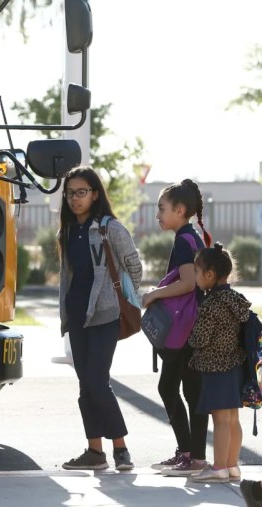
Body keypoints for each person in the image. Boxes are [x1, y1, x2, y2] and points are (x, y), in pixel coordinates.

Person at [57, 167, 142, 471]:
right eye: (70, 193)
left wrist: (119, 297)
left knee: (97, 381)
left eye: (81, 192)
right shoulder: (66, 231)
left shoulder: (110, 228)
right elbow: (68, 276)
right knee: (86, 384)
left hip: (105, 315)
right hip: (77, 317)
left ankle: (121, 448)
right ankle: (95, 452)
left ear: (94, 194)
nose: (74, 199)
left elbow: (135, 267)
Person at [141, 180, 210, 476]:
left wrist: (154, 294)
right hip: (192, 325)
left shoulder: (184, 240)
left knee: (179, 389)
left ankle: (193, 456)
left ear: (180, 210)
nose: (157, 215)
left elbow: (188, 283)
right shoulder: (192, 236)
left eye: (162, 209)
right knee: (184, 389)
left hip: (185, 328)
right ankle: (191, 455)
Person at [186, 244, 248, 483]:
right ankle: (232, 466)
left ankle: (219, 467)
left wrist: (190, 338)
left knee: (220, 419)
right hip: (236, 365)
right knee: (232, 419)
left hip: (216, 367)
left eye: (197, 272)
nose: (196, 277)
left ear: (210, 274)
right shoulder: (236, 299)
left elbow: (200, 338)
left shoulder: (211, 304)